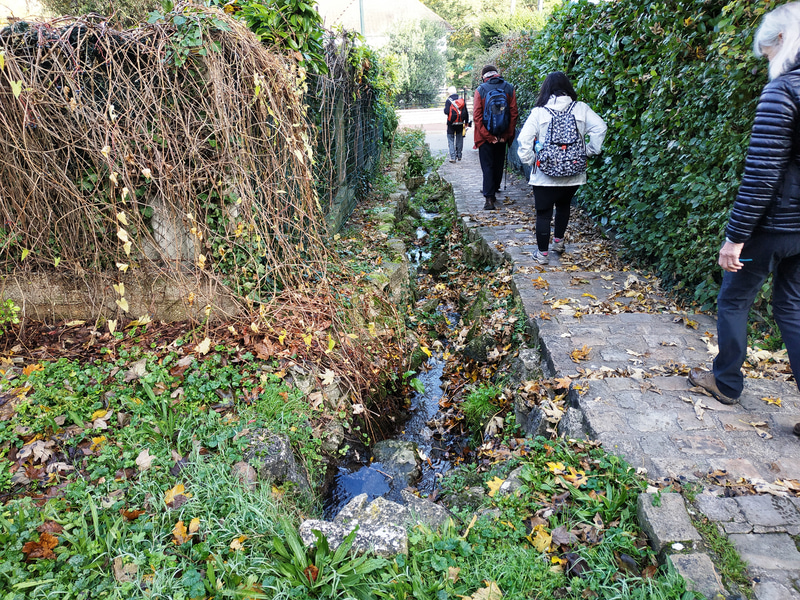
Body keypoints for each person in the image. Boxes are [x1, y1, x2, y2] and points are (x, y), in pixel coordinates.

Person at [687, 1, 800, 439]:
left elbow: (761, 175)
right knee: (791, 307)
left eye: (767, 53)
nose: (766, 62)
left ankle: (727, 382)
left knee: (734, 298)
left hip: (774, 225)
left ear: (781, 43)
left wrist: (735, 238)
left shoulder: (784, 91)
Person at [516, 71, 607, 264]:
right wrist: (589, 151)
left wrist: (530, 159)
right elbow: (600, 127)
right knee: (564, 206)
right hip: (573, 172)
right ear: (568, 88)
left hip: (544, 174)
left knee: (543, 212)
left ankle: (542, 254)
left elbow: (524, 139)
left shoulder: (539, 111)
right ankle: (558, 242)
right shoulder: (581, 108)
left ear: (546, 89)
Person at [473, 65, 519, 210]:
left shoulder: (480, 90)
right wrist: (506, 135)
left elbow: (477, 116)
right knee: (498, 164)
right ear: (497, 74)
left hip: (484, 136)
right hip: (502, 134)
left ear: (483, 76)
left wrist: (487, 136)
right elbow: (513, 114)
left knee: (487, 166)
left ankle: (489, 198)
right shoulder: (509, 88)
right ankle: (495, 188)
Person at [444, 87, 469, 163]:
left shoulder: (448, 100)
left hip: (451, 123)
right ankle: (459, 155)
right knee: (459, 138)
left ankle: (453, 157)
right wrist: (466, 122)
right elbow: (466, 111)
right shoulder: (461, 99)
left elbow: (446, 111)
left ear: (449, 92)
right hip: (460, 122)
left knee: (450, 139)